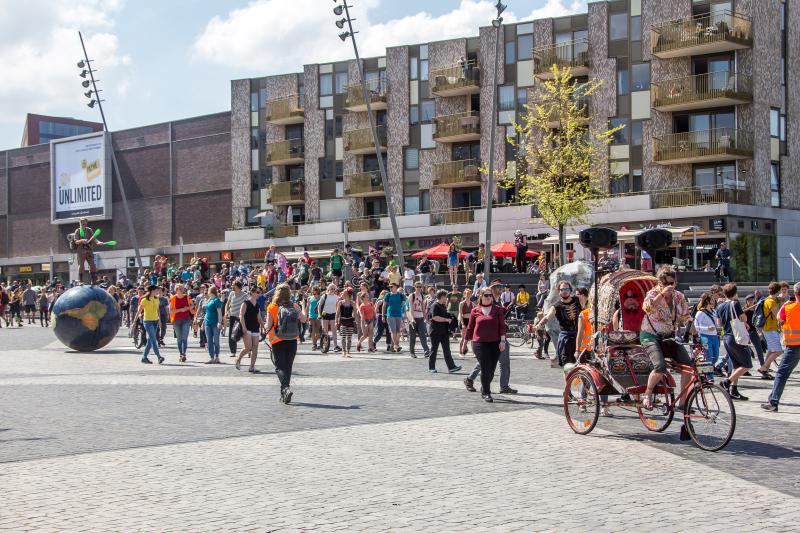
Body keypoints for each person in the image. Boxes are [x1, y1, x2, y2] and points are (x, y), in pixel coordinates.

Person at [640, 266, 692, 411]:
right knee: (660, 367)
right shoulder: (653, 293)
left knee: (687, 365)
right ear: (660, 283)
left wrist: (696, 336)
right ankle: (647, 394)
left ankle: (682, 402)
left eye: (673, 283)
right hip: (651, 335)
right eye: (667, 283)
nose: (670, 286)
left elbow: (686, 317)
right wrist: (662, 295)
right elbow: (648, 308)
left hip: (669, 335)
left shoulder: (679, 296)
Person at [464, 280, 516, 395]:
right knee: (485, 363)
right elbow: (471, 327)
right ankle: (472, 379)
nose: (501, 288)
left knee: (502, 361)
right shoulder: (484, 306)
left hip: (498, 336)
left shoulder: (499, 302)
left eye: (503, 286)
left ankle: (503, 385)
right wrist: (465, 343)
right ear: (492, 288)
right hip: (484, 338)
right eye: (499, 286)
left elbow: (500, 320)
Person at [266, 283, 308, 404]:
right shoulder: (294, 306)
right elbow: (304, 319)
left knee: (279, 366)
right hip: (292, 339)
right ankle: (284, 392)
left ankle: (285, 388)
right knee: (288, 366)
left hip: (277, 340)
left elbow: (268, 326)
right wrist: (303, 306)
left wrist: (264, 327)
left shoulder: (272, 307)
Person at [762, 281, 800, 412]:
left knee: (782, 374)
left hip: (793, 346)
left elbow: (779, 318)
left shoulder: (788, 307)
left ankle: (773, 401)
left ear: (795, 294)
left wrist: (786, 305)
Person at [535, 280, 581, 380]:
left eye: (567, 289)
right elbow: (547, 317)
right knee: (566, 365)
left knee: (583, 363)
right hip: (566, 337)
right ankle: (568, 391)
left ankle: (584, 390)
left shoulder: (577, 301)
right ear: (559, 291)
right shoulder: (557, 306)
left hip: (579, 336)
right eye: (562, 289)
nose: (565, 291)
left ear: (570, 290)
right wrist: (537, 327)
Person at [715, 283, 752, 400]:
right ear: (735, 293)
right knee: (747, 365)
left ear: (724, 294)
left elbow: (719, 324)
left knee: (736, 365)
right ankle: (726, 382)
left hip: (726, 337)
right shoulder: (735, 304)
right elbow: (745, 318)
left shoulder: (720, 307)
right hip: (735, 337)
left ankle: (734, 391)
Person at [427, 289, 462, 374]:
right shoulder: (435, 305)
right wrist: (446, 319)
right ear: (442, 297)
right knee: (434, 349)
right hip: (435, 330)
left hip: (444, 330)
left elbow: (443, 314)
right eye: (446, 296)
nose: (447, 298)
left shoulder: (443, 305)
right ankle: (431, 367)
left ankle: (451, 367)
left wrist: (450, 316)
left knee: (446, 349)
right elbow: (435, 317)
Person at [235, 285, 265, 372]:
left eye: (260, 292)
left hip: (255, 326)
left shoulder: (257, 304)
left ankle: (252, 366)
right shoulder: (246, 303)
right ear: (252, 293)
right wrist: (243, 326)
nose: (259, 294)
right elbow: (241, 315)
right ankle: (238, 359)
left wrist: (263, 325)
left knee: (255, 346)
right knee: (248, 347)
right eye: (257, 292)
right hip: (247, 326)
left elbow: (258, 317)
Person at [133, 285, 164, 365]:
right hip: (147, 321)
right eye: (157, 290)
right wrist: (134, 322)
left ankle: (144, 357)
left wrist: (159, 320)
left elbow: (158, 311)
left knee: (150, 340)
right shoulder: (144, 300)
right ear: (152, 291)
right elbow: (139, 311)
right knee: (153, 340)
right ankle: (158, 356)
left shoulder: (156, 299)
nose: (158, 292)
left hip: (155, 321)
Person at [72, 217, 107, 285]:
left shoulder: (89, 230)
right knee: (81, 266)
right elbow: (76, 241)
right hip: (81, 251)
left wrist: (98, 242)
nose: (84, 223)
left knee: (93, 265)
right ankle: (80, 281)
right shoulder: (78, 231)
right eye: (83, 222)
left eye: (85, 222)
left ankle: (93, 280)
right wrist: (82, 240)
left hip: (89, 250)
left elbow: (93, 238)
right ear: (81, 222)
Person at [760, 282, 784, 379]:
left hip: (769, 328)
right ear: (778, 291)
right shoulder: (771, 302)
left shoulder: (768, 300)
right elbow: (778, 316)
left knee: (770, 350)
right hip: (769, 329)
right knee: (778, 350)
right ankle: (764, 368)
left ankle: (765, 371)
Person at [692, 293, 720, 372]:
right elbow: (695, 327)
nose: (714, 301)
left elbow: (716, 323)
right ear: (707, 301)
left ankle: (703, 371)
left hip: (714, 336)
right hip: (706, 337)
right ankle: (709, 377)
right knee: (709, 358)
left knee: (715, 357)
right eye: (712, 299)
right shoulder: (700, 313)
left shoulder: (714, 311)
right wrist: (707, 328)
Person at [224, 280, 249, 358]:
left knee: (245, 334)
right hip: (232, 316)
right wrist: (226, 312)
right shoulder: (231, 294)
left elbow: (248, 304)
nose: (231, 286)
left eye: (233, 285)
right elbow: (227, 303)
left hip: (242, 317)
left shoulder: (245, 295)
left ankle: (248, 349)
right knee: (232, 334)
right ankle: (233, 351)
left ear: (237, 286)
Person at [742, 294, 767, 373]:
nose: (750, 301)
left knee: (759, 349)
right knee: (747, 350)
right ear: (746, 301)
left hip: (754, 331)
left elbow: (758, 322)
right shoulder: (744, 310)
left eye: (752, 300)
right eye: (748, 300)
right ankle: (746, 368)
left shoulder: (757, 309)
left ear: (754, 301)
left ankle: (763, 366)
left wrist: (760, 332)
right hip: (747, 332)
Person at [169, 284, 193, 362]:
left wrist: (188, 308)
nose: (181, 290)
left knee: (184, 337)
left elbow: (192, 305)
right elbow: (170, 311)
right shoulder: (172, 299)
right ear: (176, 290)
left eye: (182, 289)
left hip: (186, 319)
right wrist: (180, 310)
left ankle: (183, 354)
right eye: (179, 289)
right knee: (179, 338)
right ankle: (181, 354)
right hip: (177, 320)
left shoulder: (187, 297)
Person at [383, 282, 407, 353]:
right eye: (389, 287)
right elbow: (384, 305)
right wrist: (383, 316)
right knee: (393, 331)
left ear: (395, 287)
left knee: (397, 331)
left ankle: (391, 347)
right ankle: (396, 345)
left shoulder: (401, 295)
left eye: (391, 287)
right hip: (390, 314)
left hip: (399, 314)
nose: (390, 288)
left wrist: (405, 314)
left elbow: (404, 305)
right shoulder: (387, 295)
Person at [406, 281, 430, 358]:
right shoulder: (412, 296)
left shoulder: (422, 296)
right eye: (417, 287)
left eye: (420, 287)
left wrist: (426, 318)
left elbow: (423, 308)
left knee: (422, 335)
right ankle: (412, 352)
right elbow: (410, 309)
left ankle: (426, 350)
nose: (419, 288)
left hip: (420, 317)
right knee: (412, 336)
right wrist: (412, 319)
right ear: (415, 287)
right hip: (413, 318)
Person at [204, 286, 224, 364]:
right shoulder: (209, 300)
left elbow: (219, 312)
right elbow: (207, 312)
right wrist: (203, 322)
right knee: (209, 341)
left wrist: (219, 322)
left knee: (216, 340)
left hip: (215, 323)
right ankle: (211, 357)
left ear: (210, 292)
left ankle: (217, 356)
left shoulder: (216, 300)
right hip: (208, 322)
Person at [335, 287, 357, 357]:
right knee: (343, 336)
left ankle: (348, 352)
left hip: (350, 321)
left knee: (349, 337)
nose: (342, 295)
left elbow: (355, 314)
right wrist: (336, 321)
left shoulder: (353, 303)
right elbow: (337, 312)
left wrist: (357, 323)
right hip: (343, 321)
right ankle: (343, 351)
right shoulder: (340, 302)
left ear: (348, 295)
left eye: (344, 294)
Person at [319, 283, 341, 352]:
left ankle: (335, 345)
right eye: (331, 288)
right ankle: (325, 345)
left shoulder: (336, 297)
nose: (333, 290)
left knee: (334, 329)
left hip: (333, 314)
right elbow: (319, 306)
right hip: (325, 313)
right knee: (325, 330)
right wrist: (319, 314)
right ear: (328, 288)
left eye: (334, 289)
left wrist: (338, 316)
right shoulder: (324, 296)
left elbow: (337, 307)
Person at [459, 289, 474, 356]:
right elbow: (460, 314)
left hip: (470, 320)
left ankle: (474, 352)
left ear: (471, 295)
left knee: (472, 338)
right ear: (464, 295)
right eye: (466, 294)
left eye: (469, 294)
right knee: (463, 337)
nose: (468, 295)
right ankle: (460, 352)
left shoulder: (472, 304)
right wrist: (462, 323)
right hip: (464, 320)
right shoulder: (462, 303)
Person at [307, 285, 323, 351]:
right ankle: (314, 344)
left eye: (314, 290)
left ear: (317, 290)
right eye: (312, 290)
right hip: (311, 316)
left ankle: (315, 342)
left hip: (318, 316)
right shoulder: (309, 298)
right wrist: (305, 314)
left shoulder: (321, 298)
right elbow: (308, 307)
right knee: (312, 331)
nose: (312, 291)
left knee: (318, 332)